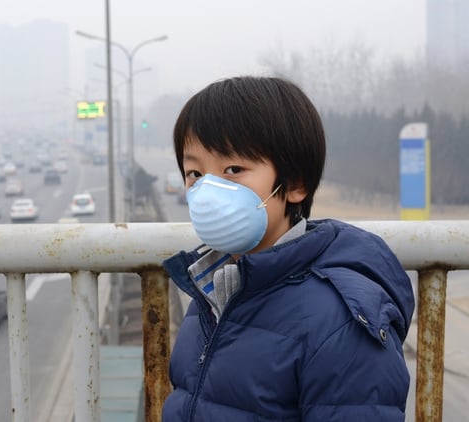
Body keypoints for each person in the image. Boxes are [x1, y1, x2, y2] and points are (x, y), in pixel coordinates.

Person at [162, 76, 415, 421]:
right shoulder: (212, 292)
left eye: (233, 169)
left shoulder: (340, 323)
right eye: (194, 173)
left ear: (295, 184)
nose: (207, 191)